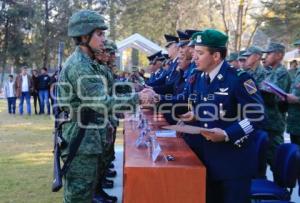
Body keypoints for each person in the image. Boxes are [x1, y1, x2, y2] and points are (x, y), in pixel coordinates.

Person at [57, 10, 151, 203]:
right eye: (99, 34)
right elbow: (102, 102)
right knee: (79, 197)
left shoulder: (89, 63)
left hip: (88, 138)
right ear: (84, 36)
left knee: (88, 194)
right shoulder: (80, 66)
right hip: (81, 141)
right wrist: (138, 98)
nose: (103, 39)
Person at [184, 29, 264, 203]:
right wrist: (196, 114)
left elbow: (257, 116)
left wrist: (228, 134)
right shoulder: (199, 77)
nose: (194, 57)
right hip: (204, 159)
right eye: (194, 53)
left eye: (200, 53)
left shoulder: (239, 79)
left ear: (216, 56)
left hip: (232, 164)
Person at [261, 42, 291, 167]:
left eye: (269, 54)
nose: (265, 57)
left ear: (278, 55)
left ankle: (280, 186)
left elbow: (276, 97)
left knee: (275, 160)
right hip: (265, 121)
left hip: (274, 122)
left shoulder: (282, 73)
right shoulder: (270, 72)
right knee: (262, 158)